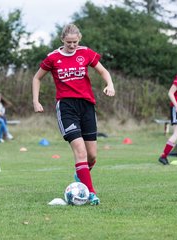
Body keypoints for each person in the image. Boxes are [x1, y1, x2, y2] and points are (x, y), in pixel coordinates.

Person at [32, 24, 115, 205]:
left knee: (92, 156)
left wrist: (110, 84)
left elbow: (103, 71)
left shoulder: (85, 53)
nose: (72, 45)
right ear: (62, 40)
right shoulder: (53, 58)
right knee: (80, 151)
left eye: (75, 42)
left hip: (86, 106)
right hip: (67, 107)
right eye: (69, 42)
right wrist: (36, 101)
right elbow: (37, 78)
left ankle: (80, 176)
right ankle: (91, 193)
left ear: (80, 39)